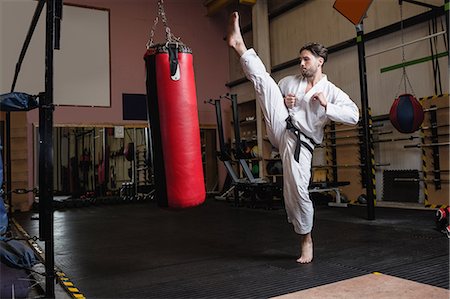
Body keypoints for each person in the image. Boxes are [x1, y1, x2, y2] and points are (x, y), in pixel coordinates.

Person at [226, 12, 359, 263]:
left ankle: (306, 239)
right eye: (300, 59)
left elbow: (354, 116)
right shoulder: (291, 81)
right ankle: (239, 45)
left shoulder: (331, 91)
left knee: (297, 191)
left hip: (301, 144)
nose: (302, 63)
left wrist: (328, 106)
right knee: (265, 83)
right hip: (281, 128)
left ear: (320, 61)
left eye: (306, 59)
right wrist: (284, 100)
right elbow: (274, 93)